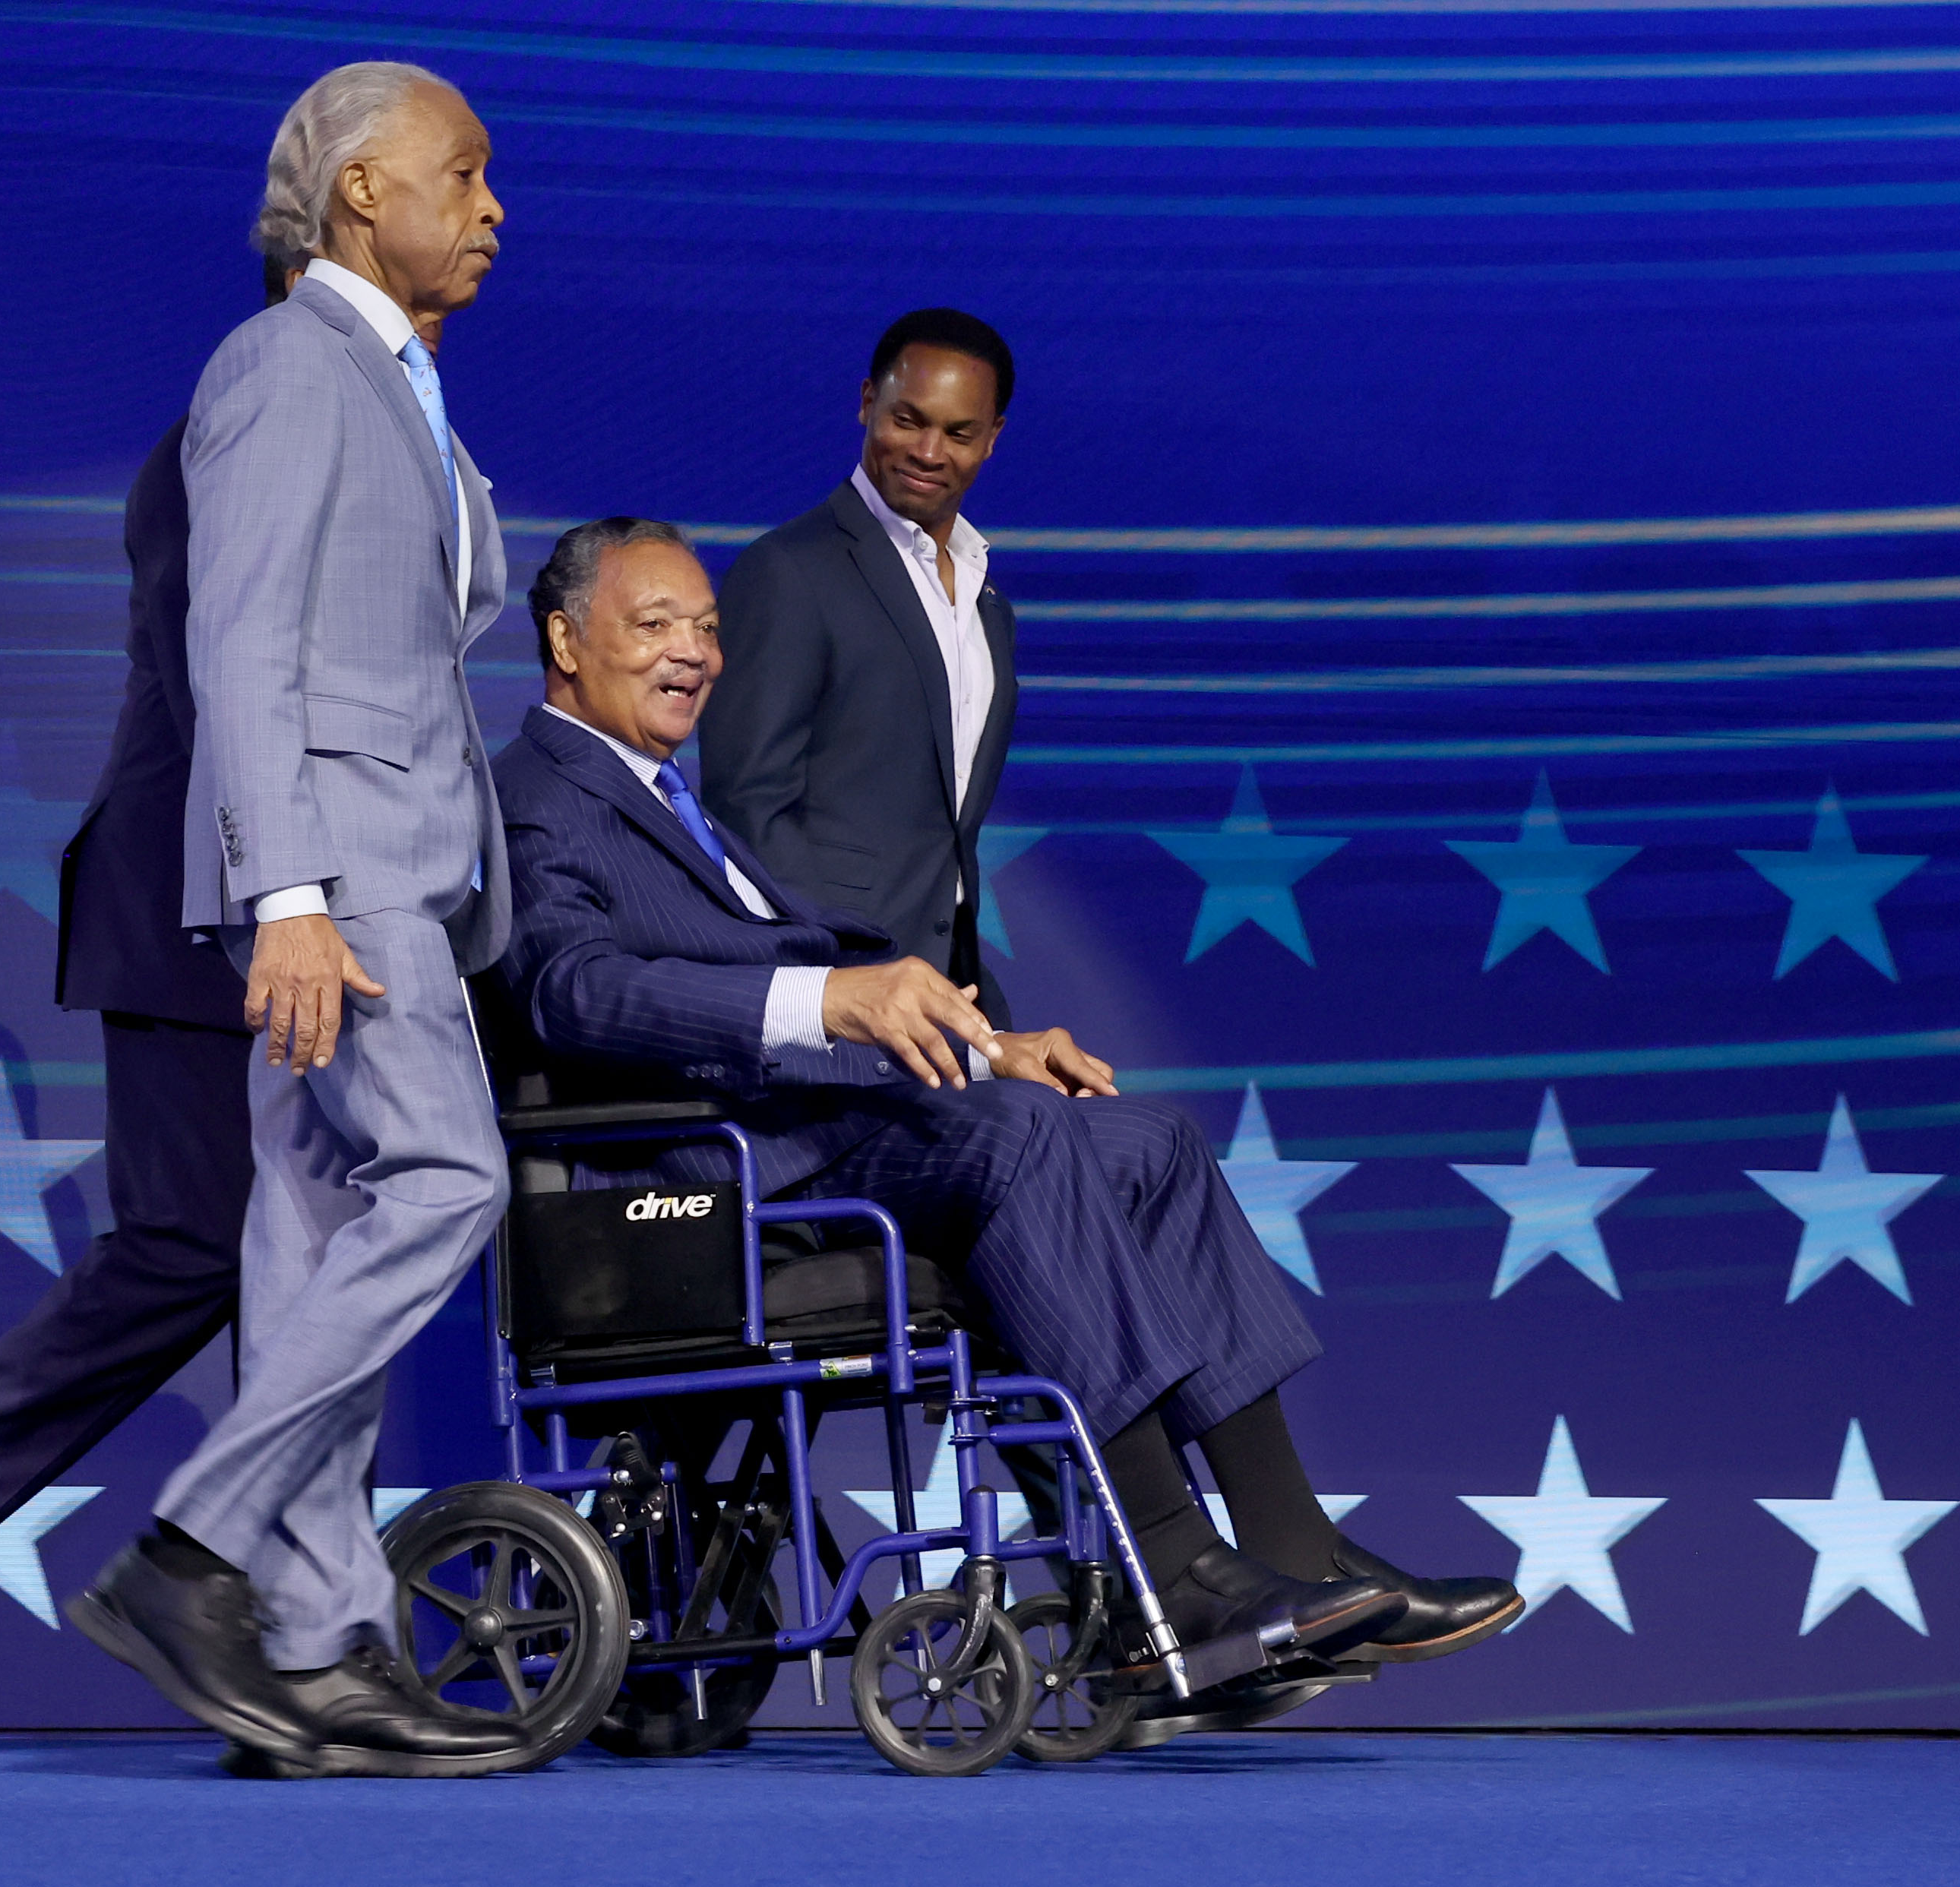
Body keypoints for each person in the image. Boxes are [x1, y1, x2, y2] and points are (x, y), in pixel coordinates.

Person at [495, 519, 1525, 1675]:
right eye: (657, 626)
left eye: (708, 627)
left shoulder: (666, 794)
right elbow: (574, 992)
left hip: (818, 1130)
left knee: (1150, 1145)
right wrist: (831, 999)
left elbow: (828, 995)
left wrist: (989, 1049)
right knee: (1029, 1143)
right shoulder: (542, 795)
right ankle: (1174, 1573)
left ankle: (1298, 1551)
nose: (695, 652)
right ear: (565, 639)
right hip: (714, 1172)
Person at [61, 61, 527, 1780]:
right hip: (342, 880)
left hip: (379, 875)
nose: (494, 208)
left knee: (319, 1237)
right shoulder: (282, 366)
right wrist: (293, 898)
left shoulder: (398, 381)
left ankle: (321, 1639)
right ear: (358, 197)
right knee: (451, 1176)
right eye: (465, 176)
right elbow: (239, 645)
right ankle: (193, 1550)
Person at [0, 252, 298, 1746]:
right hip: (199, 908)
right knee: (198, 1246)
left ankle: (274, 1627)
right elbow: (241, 685)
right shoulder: (244, 426)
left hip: (276, 907)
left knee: (293, 1258)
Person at [700, 309, 1023, 1027]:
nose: (928, 451)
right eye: (908, 419)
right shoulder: (789, 570)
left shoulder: (986, 599)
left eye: (959, 432)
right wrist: (848, 971)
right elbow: (747, 806)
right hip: (838, 993)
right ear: (866, 402)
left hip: (949, 995)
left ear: (992, 438)